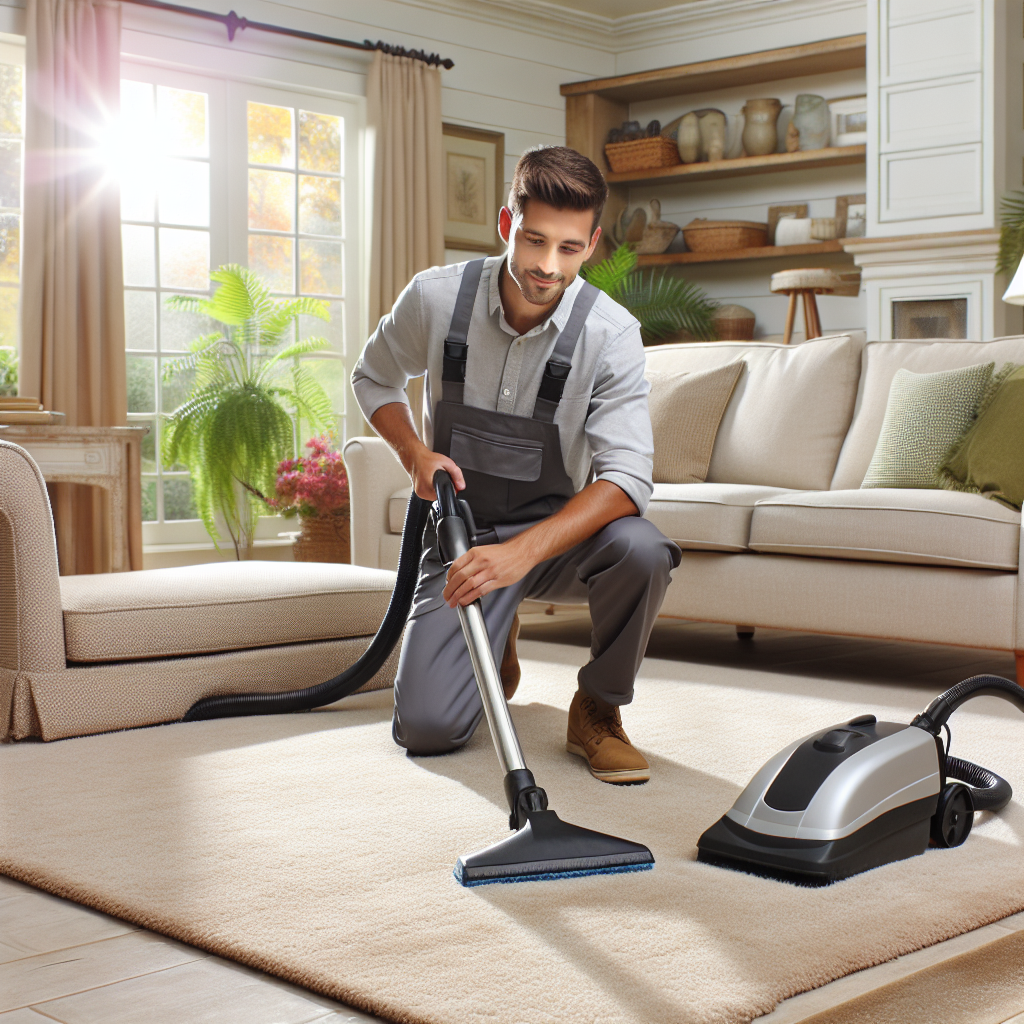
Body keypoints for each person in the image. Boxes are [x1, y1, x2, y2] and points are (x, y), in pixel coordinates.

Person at [351, 145, 680, 784]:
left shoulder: (609, 335)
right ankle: (496, 638)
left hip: (557, 541)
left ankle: (599, 709)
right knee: (428, 731)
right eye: (534, 242)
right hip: (461, 536)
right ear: (506, 225)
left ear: (592, 244)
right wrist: (413, 452)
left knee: (643, 550)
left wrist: (522, 555)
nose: (547, 266)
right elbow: (374, 378)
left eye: (569, 248)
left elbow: (627, 479)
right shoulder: (436, 299)